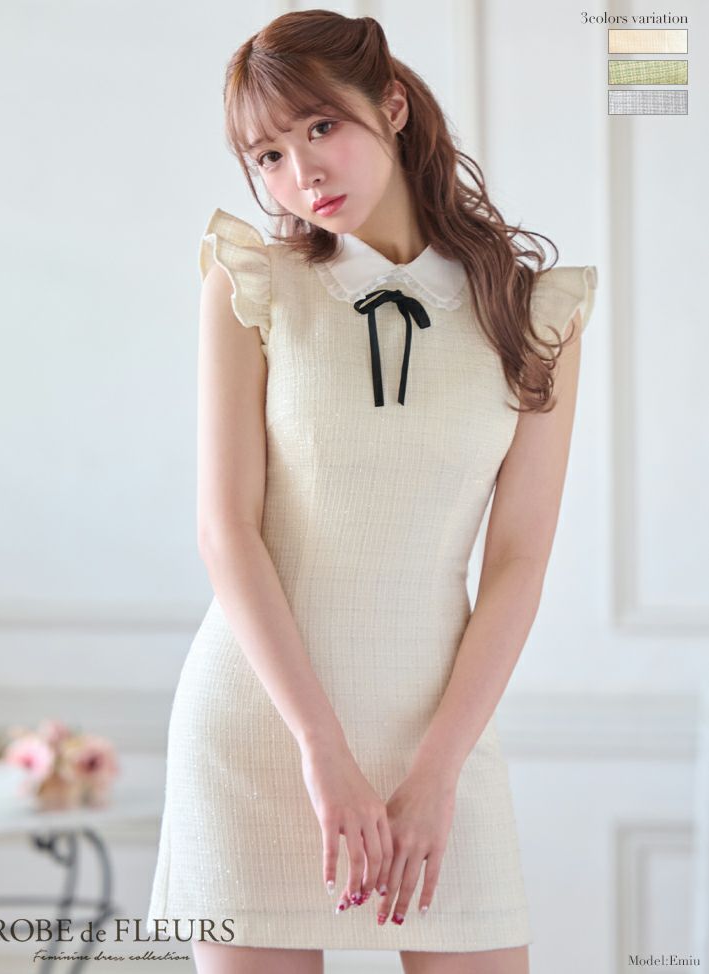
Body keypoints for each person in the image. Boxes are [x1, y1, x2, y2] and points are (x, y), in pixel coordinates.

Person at [146, 9, 597, 974]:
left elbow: (518, 561)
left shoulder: (533, 314)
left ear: (391, 106)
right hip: (263, 730)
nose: (301, 173)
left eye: (321, 127)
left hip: (439, 738)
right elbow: (227, 531)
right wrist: (321, 748)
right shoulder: (253, 284)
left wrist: (437, 772)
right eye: (267, 156)